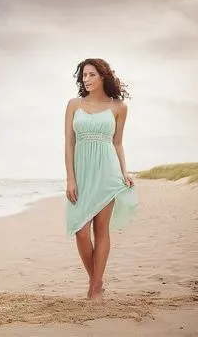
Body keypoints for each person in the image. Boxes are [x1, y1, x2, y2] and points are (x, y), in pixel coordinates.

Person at [64, 58, 138, 301]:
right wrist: (70, 179)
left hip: (107, 172)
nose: (86, 79)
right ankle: (96, 279)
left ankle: (95, 288)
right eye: (83, 75)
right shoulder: (74, 104)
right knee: (81, 231)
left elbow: (117, 143)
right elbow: (69, 143)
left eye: (91, 75)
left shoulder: (119, 107)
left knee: (101, 230)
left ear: (103, 76)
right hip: (82, 174)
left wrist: (124, 171)